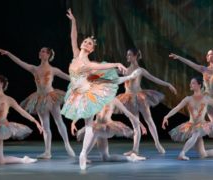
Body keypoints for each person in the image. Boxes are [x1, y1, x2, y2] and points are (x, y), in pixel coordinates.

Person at [62, 9, 142, 170]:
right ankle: (84, 153)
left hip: (88, 92)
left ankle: (83, 154)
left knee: (90, 124)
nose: (86, 43)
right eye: (85, 41)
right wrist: (74, 22)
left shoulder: (89, 63)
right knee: (88, 123)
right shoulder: (76, 54)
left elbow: (100, 66)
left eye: (90, 43)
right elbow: (73, 37)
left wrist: (116, 64)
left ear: (92, 50)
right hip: (77, 92)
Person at [0, 47, 75, 159]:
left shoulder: (53, 70)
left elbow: (69, 78)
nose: (40, 52)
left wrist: (84, 81)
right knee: (45, 126)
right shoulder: (34, 69)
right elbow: (20, 63)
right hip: (39, 99)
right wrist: (9, 53)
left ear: (48, 55)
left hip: (52, 96)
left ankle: (67, 144)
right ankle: (47, 152)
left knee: (59, 121)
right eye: (40, 51)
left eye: (43, 51)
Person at [116, 48, 177, 155]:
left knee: (149, 120)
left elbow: (154, 79)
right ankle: (135, 149)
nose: (127, 57)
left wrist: (167, 84)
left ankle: (157, 143)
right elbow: (110, 73)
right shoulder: (124, 70)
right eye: (127, 55)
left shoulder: (140, 70)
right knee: (135, 124)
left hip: (140, 97)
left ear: (135, 56)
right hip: (128, 98)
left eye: (129, 55)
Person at [75, 99, 146, 166]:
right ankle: (132, 158)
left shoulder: (113, 99)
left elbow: (127, 113)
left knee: (95, 131)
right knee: (105, 157)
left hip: (107, 127)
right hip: (96, 125)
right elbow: (85, 112)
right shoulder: (96, 99)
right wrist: (73, 122)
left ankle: (84, 155)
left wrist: (141, 125)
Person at [162, 77, 213, 160]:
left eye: (193, 83)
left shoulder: (206, 98)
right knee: (203, 154)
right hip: (191, 125)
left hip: (202, 125)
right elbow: (176, 108)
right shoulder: (188, 99)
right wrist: (166, 116)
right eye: (190, 83)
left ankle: (182, 153)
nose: (190, 85)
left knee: (196, 133)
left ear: (199, 85)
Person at [169, 50, 213, 121]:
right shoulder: (204, 69)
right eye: (208, 55)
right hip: (208, 98)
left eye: (210, 54)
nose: (208, 56)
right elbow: (192, 64)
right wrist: (179, 57)